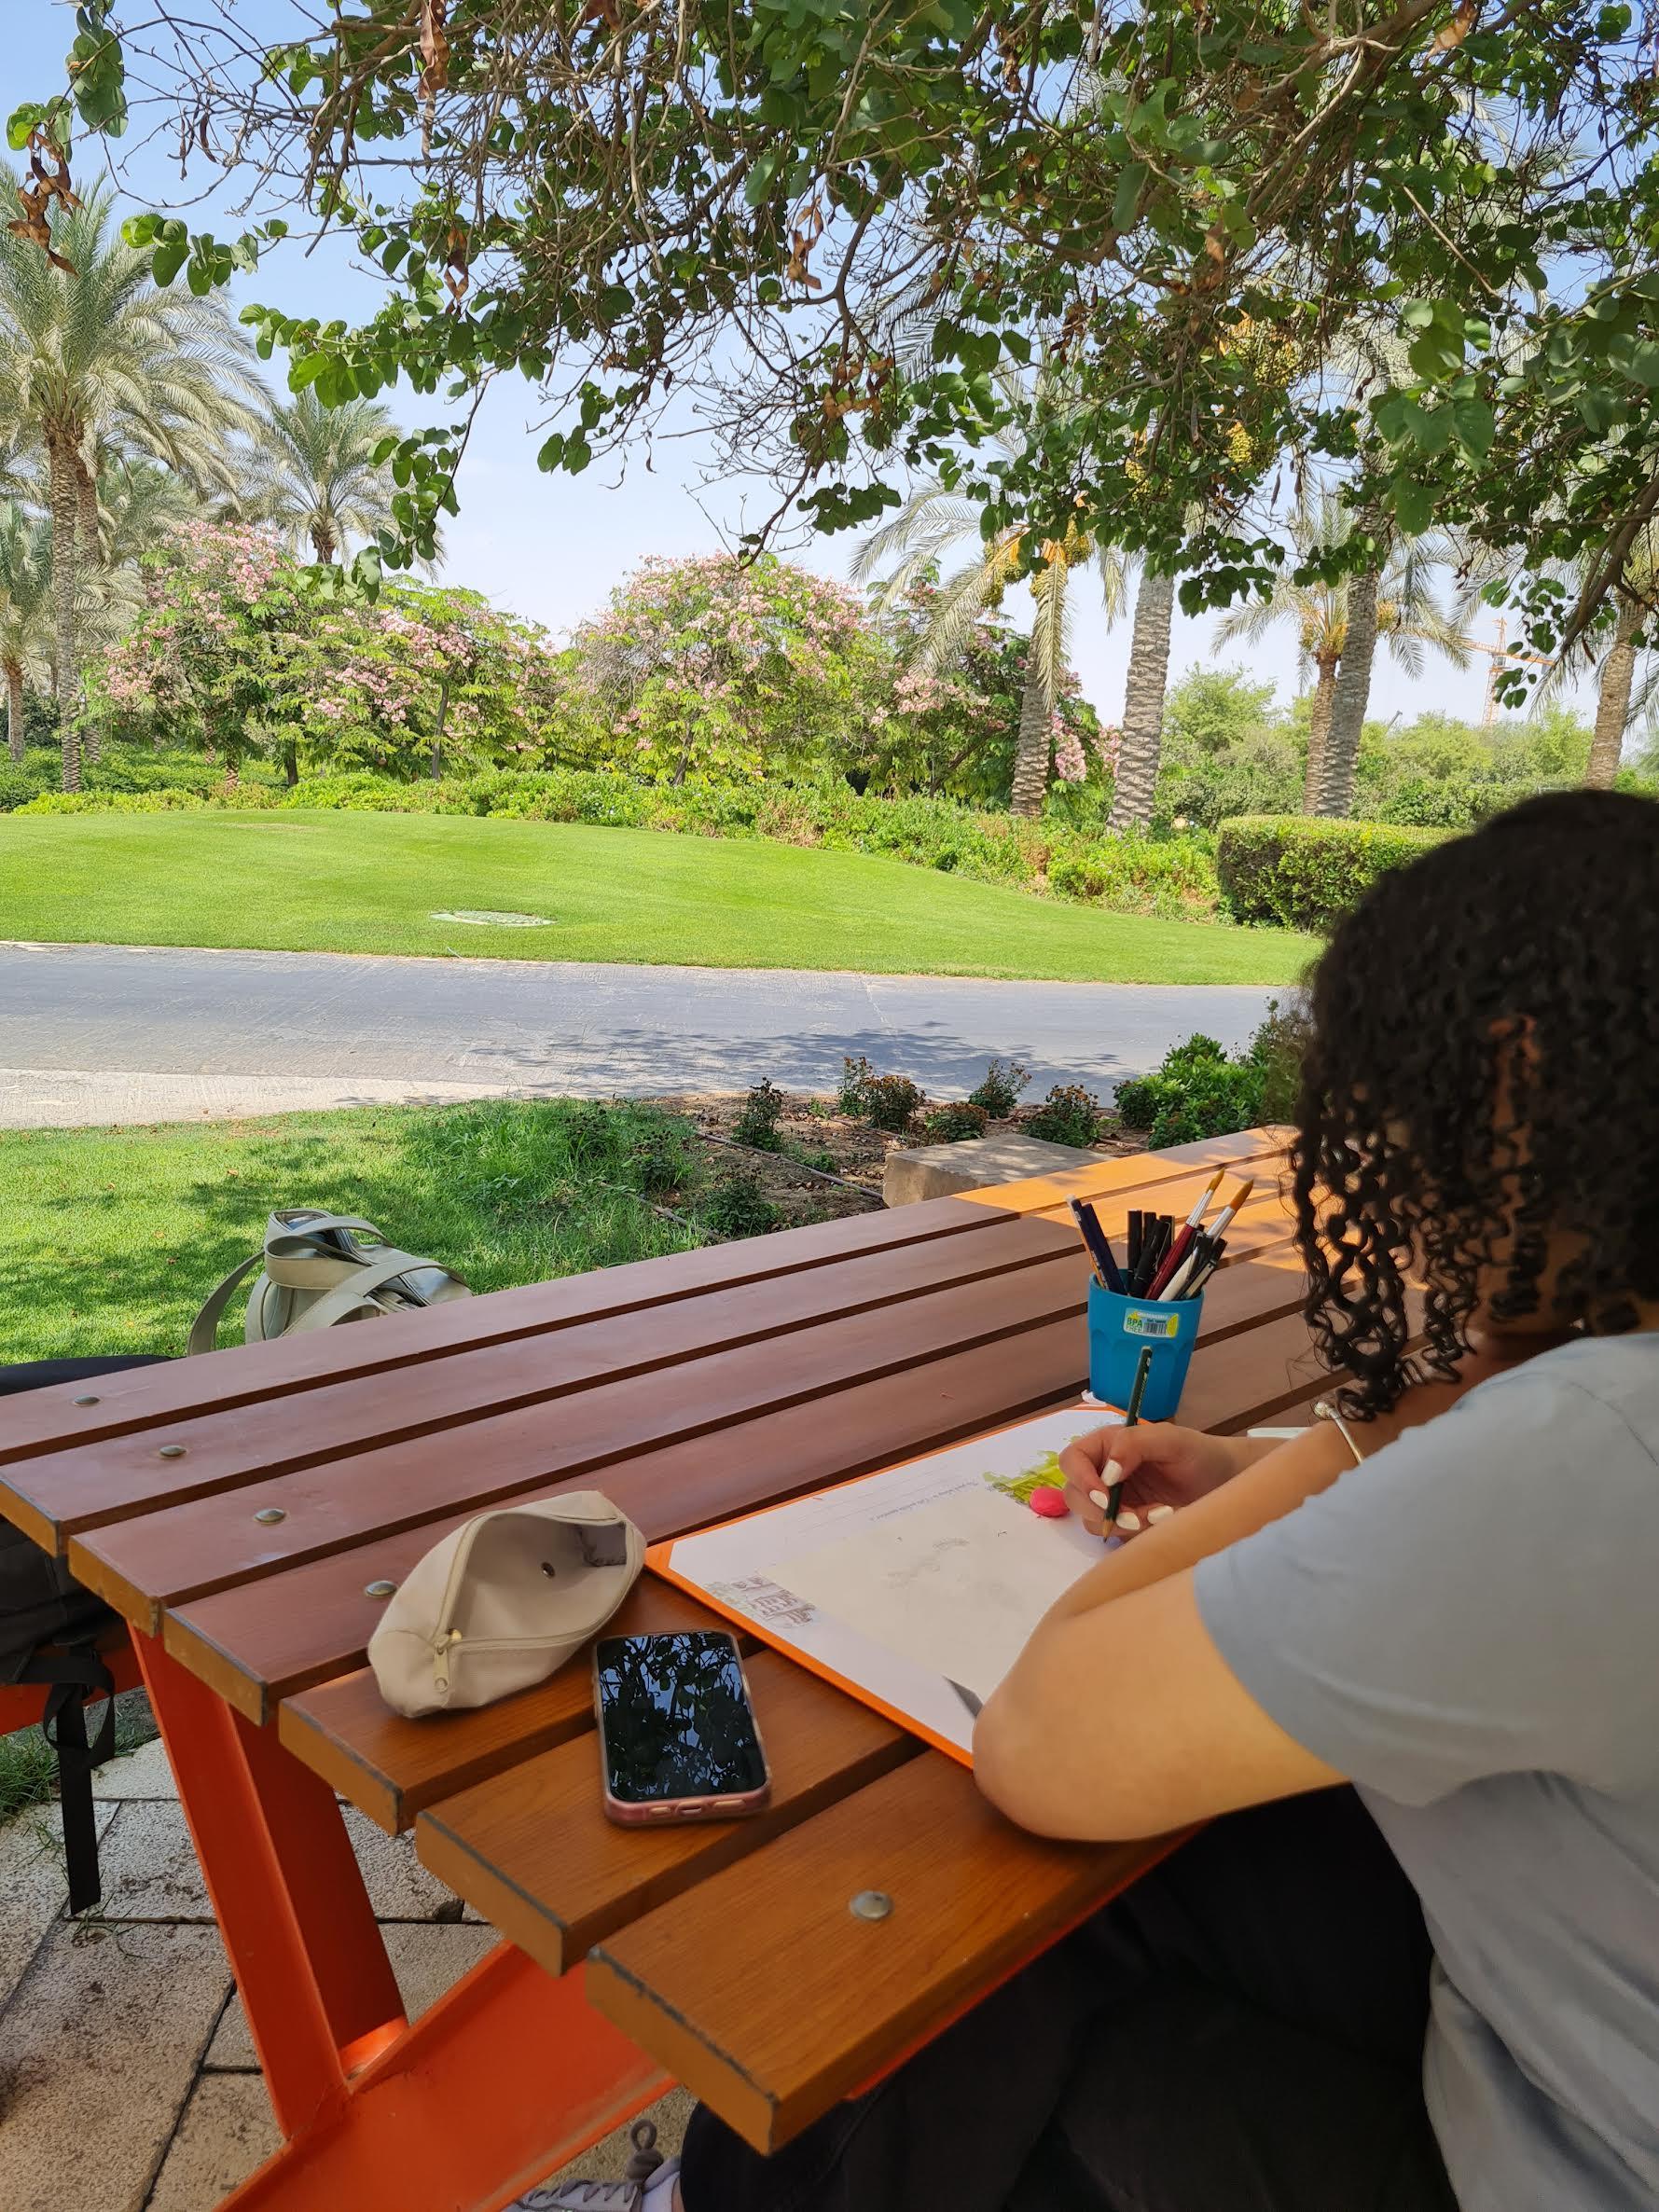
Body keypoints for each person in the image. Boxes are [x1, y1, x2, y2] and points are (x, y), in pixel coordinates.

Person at [545, 790, 1659, 2212]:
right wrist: (1275, 1473)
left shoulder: (1587, 1453)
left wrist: (1374, 1439)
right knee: (1121, 1894)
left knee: (1029, 1968)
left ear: (1510, 1108)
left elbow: (1041, 1736)